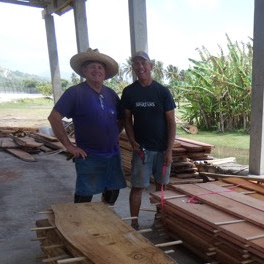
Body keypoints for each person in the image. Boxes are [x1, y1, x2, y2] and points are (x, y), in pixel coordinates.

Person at [48, 48, 126, 205]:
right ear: (84, 71)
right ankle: (81, 220)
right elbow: (54, 118)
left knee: (112, 192)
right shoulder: (75, 92)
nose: (97, 70)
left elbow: (122, 117)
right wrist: (69, 146)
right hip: (88, 155)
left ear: (105, 72)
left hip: (112, 155)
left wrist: (113, 135)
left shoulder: (111, 94)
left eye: (100, 67)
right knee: (84, 196)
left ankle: (106, 216)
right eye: (92, 67)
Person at [120, 51, 176, 230]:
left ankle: (159, 219)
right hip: (141, 150)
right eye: (136, 64)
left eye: (143, 63)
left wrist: (169, 151)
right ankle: (134, 222)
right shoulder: (129, 92)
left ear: (150, 66)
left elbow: (171, 123)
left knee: (161, 187)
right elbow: (127, 121)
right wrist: (132, 142)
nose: (140, 67)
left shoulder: (162, 92)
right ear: (133, 68)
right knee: (138, 187)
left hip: (162, 149)